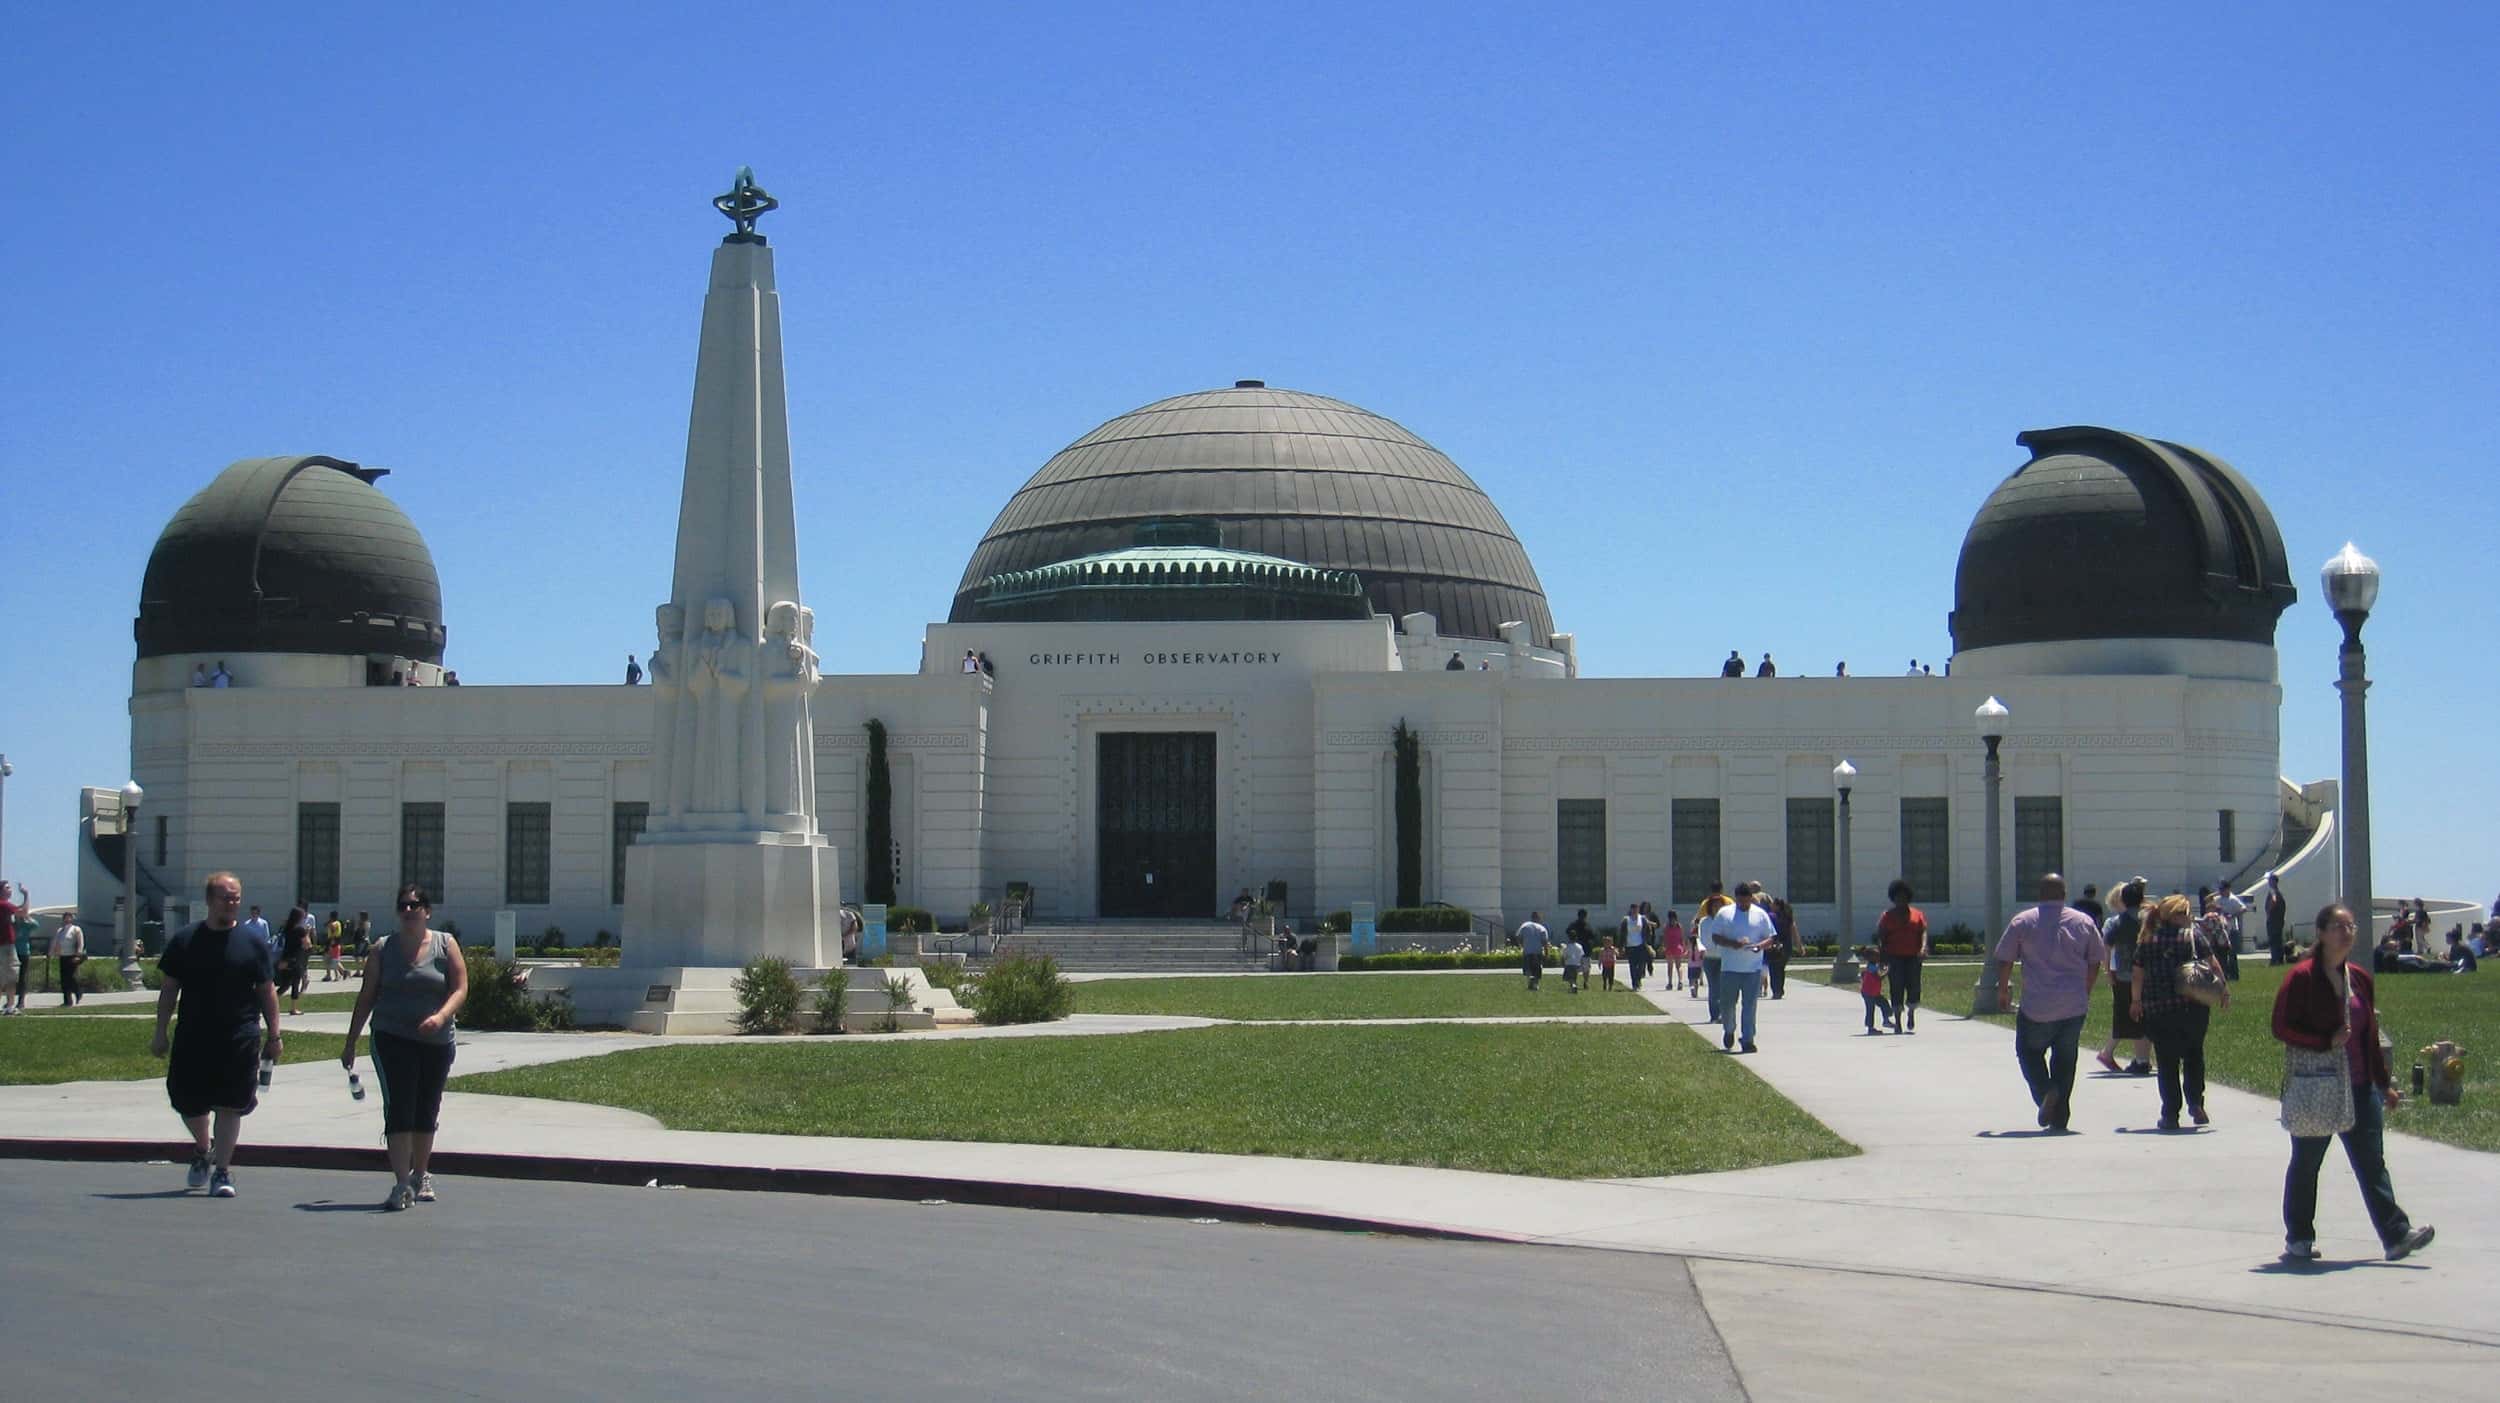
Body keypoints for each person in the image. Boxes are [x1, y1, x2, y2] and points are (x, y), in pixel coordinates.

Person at [2272, 904, 2436, 1263]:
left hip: (2359, 1087)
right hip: (2318, 1086)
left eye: (2350, 926)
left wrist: (2384, 1083)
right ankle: (2298, 1238)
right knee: (2306, 1163)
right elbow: (2280, 1027)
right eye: (2337, 926)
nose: (2345, 932)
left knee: (2372, 1163)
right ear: (2321, 933)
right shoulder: (2301, 977)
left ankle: (2396, 1235)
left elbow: (2370, 1036)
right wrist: (2323, 1041)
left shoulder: (2359, 977)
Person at [152, 872, 281, 1198]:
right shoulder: (185, 940)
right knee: (186, 1101)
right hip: (193, 1035)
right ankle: (202, 1147)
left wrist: (274, 1035)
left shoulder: (253, 943)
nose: (232, 903)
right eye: (226, 897)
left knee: (230, 1104)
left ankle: (222, 1171)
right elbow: (169, 989)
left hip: (239, 1034)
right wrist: (160, 1032)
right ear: (210, 901)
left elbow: (267, 990)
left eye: (236, 897)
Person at [342, 884, 469, 1210]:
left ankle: (421, 1174)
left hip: (436, 1040)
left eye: (415, 905)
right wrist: (351, 1041)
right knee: (400, 1106)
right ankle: (401, 1183)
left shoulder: (445, 944)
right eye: (403, 906)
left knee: (427, 1106)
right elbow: (367, 996)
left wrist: (441, 1017)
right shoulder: (382, 949)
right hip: (392, 1037)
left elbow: (460, 988)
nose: (409, 911)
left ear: (427, 910)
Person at [1992, 874, 2107, 1131]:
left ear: (2040, 893)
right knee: (2065, 1060)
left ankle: (2045, 1092)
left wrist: (2002, 991)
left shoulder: (2024, 921)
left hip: (2037, 1005)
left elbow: (2006, 958)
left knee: (2028, 1052)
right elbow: (2095, 960)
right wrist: (2085, 990)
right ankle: (2060, 1117)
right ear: (2064, 894)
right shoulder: (2083, 921)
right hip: (2073, 1004)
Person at [2132, 893, 2228, 1130]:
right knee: (2194, 1054)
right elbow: (2213, 964)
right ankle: (2195, 1102)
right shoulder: (2193, 936)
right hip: (2192, 1006)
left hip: (2158, 1008)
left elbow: (2137, 973)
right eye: (2186, 913)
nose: (2189, 917)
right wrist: (2223, 990)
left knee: (2167, 1062)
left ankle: (2170, 1114)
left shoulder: (2148, 939)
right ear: (2177, 915)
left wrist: (2135, 1001)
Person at [1702, 881, 1776, 1052]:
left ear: (1751, 898)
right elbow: (1716, 937)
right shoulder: (1725, 914)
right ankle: (1729, 1030)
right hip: (1730, 968)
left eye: (1746, 901)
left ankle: (1748, 1039)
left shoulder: (1760, 914)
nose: (1744, 904)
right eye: (1741, 901)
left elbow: (1771, 937)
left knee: (1750, 1005)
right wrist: (1733, 944)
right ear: (1736, 899)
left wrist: (1759, 946)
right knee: (1728, 1004)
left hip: (1753, 968)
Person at [2095, 878, 2154, 1076]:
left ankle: (2141, 1060)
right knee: (2147, 1018)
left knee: (2133, 1018)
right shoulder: (2151, 919)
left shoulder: (2117, 922)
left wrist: (2108, 972)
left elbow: (2106, 947)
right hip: (2152, 974)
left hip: (2124, 975)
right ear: (2142, 898)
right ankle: (2142, 1059)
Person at [1876, 880, 1928, 1034]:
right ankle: (1898, 1021)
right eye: (1897, 897)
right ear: (1893, 898)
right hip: (1894, 957)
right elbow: (1881, 936)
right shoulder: (1887, 916)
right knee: (1896, 987)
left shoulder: (1917, 915)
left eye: (1903, 897)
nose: (1901, 900)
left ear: (1908, 897)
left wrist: (1923, 948)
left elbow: (1923, 932)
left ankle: (1911, 1013)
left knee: (1914, 986)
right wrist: (1882, 955)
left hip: (1913, 957)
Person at [1696, 880, 1732, 1018]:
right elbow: (1702, 937)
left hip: (1725, 957)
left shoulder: (1727, 917)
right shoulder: (1705, 921)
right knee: (1714, 987)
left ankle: (1723, 1013)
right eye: (1715, 906)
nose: (1717, 907)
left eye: (1719, 905)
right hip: (1710, 958)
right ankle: (1714, 1014)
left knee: (1724, 987)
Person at [274, 905, 313, 1016]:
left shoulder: (287, 928)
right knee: (295, 983)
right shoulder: (300, 929)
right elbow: (307, 945)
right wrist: (308, 932)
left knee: (285, 984)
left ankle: (270, 1002)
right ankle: (293, 1008)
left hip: (285, 958)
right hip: (295, 959)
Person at [1765, 896, 1797, 998]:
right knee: (1781, 969)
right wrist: (1799, 946)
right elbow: (1794, 931)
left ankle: (1776, 990)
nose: (1771, 905)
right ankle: (1780, 989)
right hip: (1787, 946)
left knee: (1774, 969)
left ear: (1777, 906)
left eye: (1773, 904)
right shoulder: (1788, 917)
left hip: (1774, 945)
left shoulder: (1771, 917)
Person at [2215, 882, 2248, 980]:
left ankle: (2234, 975)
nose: (2220, 891)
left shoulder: (2233, 899)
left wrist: (2232, 915)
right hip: (2221, 930)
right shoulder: (2217, 899)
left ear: (2227, 889)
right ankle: (2224, 974)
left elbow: (2244, 908)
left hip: (2232, 929)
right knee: (2221, 954)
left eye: (2222, 889)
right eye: (2220, 889)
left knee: (2232, 954)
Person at [1857, 948, 1894, 1033]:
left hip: (1874, 992)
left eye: (1878, 955)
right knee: (1870, 1009)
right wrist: (1888, 971)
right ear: (1869, 958)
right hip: (1868, 993)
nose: (1878, 957)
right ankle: (1870, 1028)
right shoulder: (1871, 967)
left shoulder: (1874, 966)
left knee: (1884, 1003)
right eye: (1876, 956)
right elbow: (1879, 977)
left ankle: (1886, 1021)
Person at [54, 912, 87, 1005]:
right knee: (64, 980)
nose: (67, 920)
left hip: (72, 956)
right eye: (65, 918)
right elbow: (56, 942)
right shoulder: (60, 930)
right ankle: (67, 1001)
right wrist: (54, 951)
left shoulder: (76, 929)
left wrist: (78, 955)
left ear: (72, 919)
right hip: (62, 956)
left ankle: (78, 992)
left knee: (72, 978)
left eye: (69, 918)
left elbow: (81, 943)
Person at [1516, 911, 1550, 991]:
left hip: (1527, 950)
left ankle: (1530, 981)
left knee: (1528, 968)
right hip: (1537, 951)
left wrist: (1521, 945)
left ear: (1531, 917)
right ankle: (1535, 985)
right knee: (1537, 969)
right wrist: (1546, 953)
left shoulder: (1524, 925)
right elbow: (1545, 942)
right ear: (1538, 918)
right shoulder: (1542, 928)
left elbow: (1518, 936)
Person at [1622, 903, 1649, 990]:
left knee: (1641, 965)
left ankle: (1638, 979)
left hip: (1640, 945)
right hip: (1630, 945)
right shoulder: (1626, 920)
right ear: (1631, 910)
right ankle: (1635, 983)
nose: (1634, 911)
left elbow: (1647, 931)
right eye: (1633, 909)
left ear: (1638, 910)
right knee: (1632, 965)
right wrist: (1622, 945)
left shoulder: (1642, 919)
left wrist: (1646, 942)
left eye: (1636, 909)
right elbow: (1622, 933)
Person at [1657, 908, 1686, 991]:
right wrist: (1683, 947)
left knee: (1670, 967)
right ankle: (1680, 981)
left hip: (1669, 947)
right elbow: (1682, 938)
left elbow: (1664, 938)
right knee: (1679, 966)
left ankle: (1670, 983)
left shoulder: (1666, 926)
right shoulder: (1679, 926)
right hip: (1678, 947)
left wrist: (1662, 946)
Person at [2263, 873, 2289, 965]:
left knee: (2273, 940)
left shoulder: (2273, 891)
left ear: (2273, 881)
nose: (2268, 882)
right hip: (2279, 920)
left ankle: (2274, 960)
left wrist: (2269, 912)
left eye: (2269, 880)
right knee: (2278, 940)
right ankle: (2280, 959)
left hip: (2273, 920)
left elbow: (2274, 900)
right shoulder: (2279, 892)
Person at [1562, 927, 1588, 994]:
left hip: (1569, 964)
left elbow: (1565, 956)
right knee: (1574, 977)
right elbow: (1582, 955)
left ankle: (1573, 986)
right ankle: (1573, 988)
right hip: (1577, 964)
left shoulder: (1567, 947)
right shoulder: (1579, 946)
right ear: (1576, 938)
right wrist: (1582, 964)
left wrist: (1564, 962)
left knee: (1569, 978)